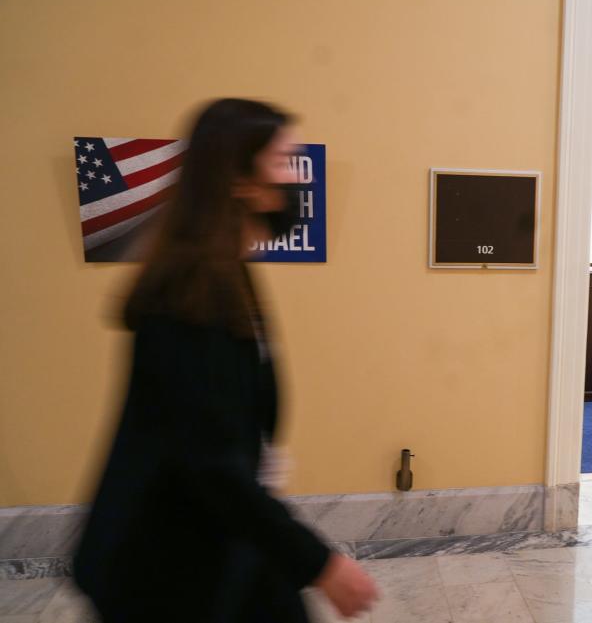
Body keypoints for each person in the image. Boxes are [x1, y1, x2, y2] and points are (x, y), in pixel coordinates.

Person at [73, 98, 378, 623]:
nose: (296, 179)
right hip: (161, 560)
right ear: (240, 180)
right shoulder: (186, 296)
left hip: (221, 530)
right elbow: (211, 465)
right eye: (283, 162)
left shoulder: (228, 274)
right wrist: (322, 564)